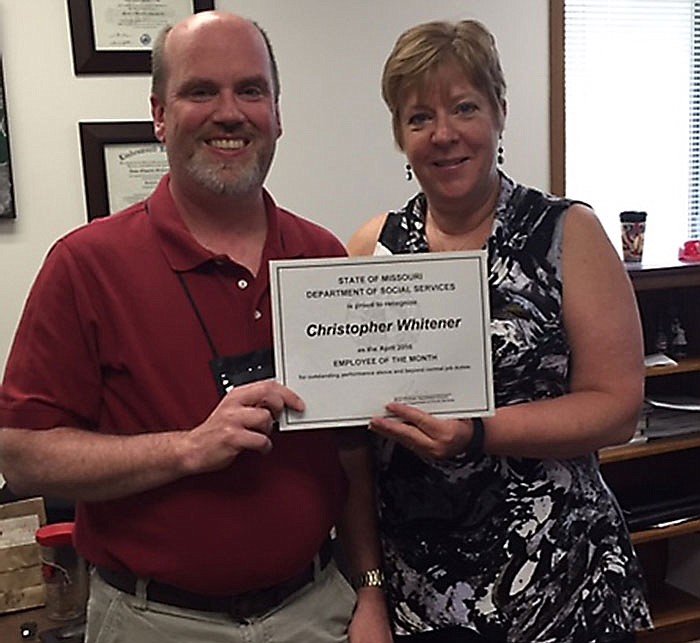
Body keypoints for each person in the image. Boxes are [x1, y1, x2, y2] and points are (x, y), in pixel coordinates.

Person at [0, 11, 391, 643]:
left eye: (251, 90)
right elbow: (20, 454)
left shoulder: (321, 256)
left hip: (316, 611)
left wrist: (369, 591)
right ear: (159, 114)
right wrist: (187, 448)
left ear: (277, 114)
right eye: (201, 91)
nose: (229, 112)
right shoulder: (84, 265)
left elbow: (351, 454)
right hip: (152, 621)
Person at [348, 19, 651, 643]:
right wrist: (369, 592)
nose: (443, 134)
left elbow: (618, 408)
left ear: (500, 114)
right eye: (418, 117)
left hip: (559, 581)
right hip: (419, 595)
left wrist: (476, 434)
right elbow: (354, 442)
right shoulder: (371, 248)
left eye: (465, 108)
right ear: (399, 136)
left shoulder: (569, 234)